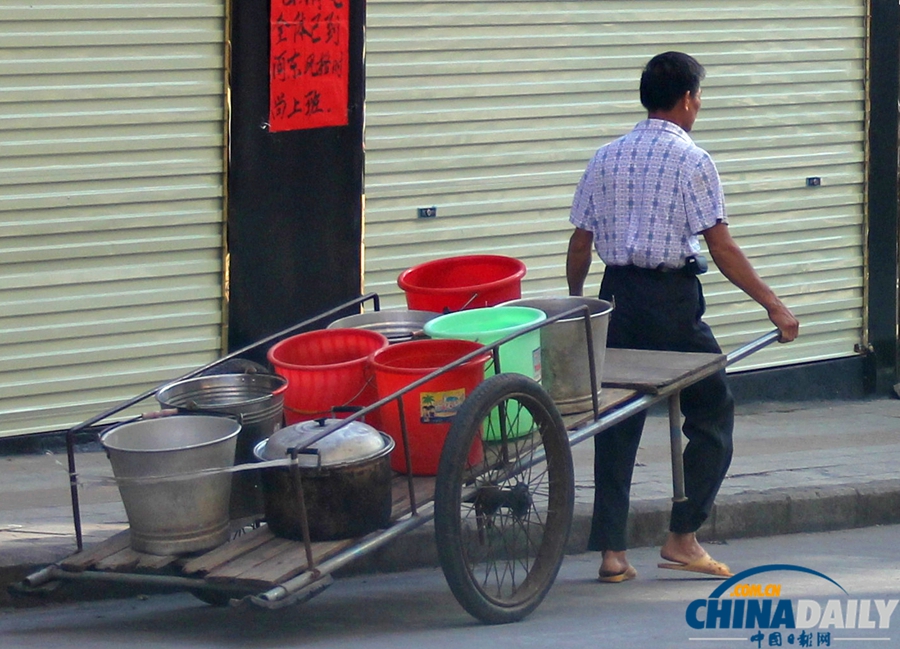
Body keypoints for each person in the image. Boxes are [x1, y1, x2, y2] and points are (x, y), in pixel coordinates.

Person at [565, 51, 799, 583]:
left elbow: (581, 243)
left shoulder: (606, 156)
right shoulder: (693, 161)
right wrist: (774, 305)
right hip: (672, 305)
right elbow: (721, 247)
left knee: (615, 422)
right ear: (688, 99)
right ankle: (683, 536)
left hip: (616, 299)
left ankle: (612, 555)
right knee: (712, 414)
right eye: (700, 97)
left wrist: (581, 303)